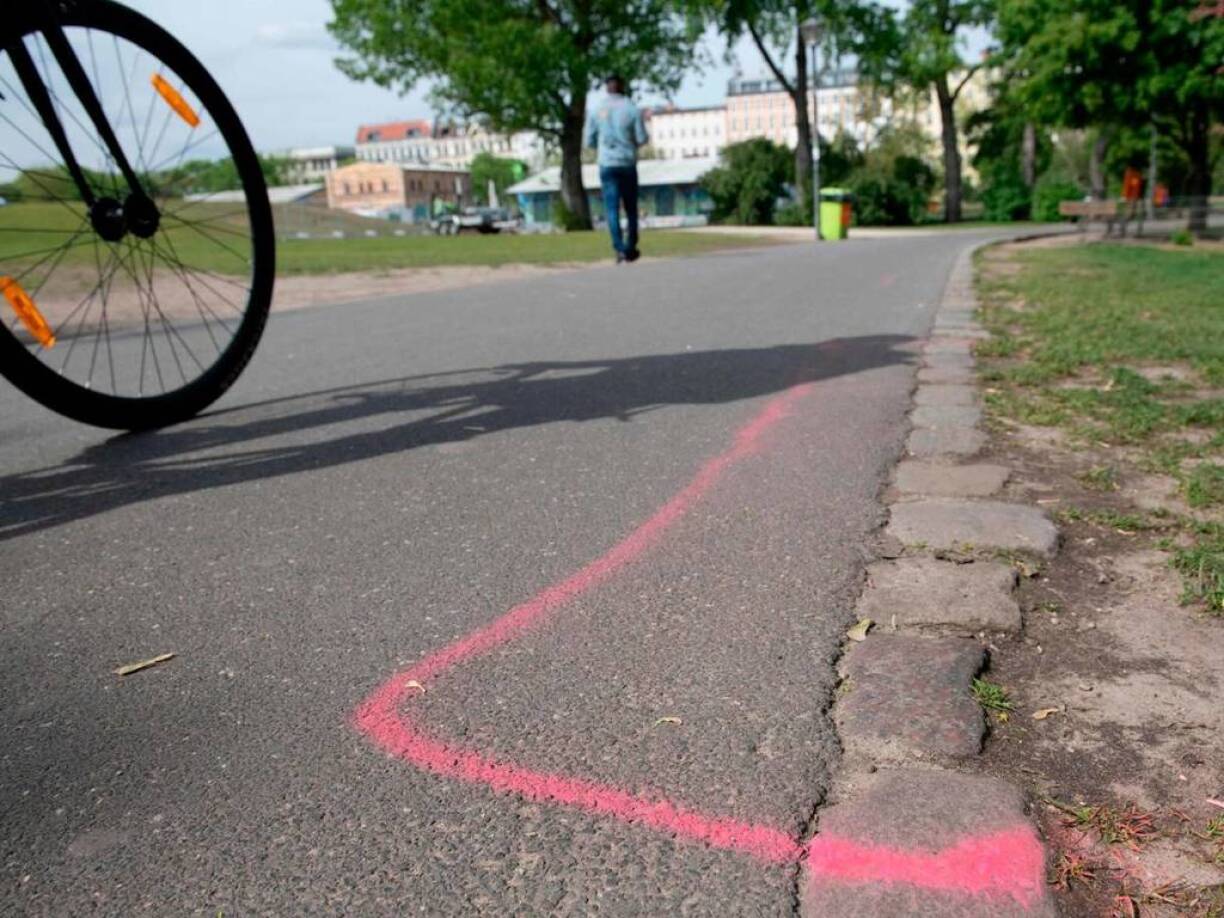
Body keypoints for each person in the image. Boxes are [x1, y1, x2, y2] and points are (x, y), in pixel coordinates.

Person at [583, 75, 648, 263]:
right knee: (631, 208)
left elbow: (589, 140)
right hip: (627, 163)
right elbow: (642, 138)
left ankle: (618, 247)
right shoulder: (632, 109)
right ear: (623, 87)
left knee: (611, 208)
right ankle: (631, 245)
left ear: (607, 88)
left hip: (607, 163)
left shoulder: (596, 110)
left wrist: (603, 146)